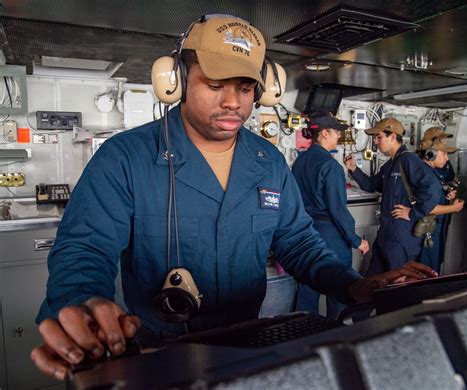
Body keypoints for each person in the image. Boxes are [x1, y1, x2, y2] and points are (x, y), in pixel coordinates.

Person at [31, 16, 437, 381]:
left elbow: (298, 244)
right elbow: (85, 249)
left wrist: (356, 285)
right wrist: (80, 305)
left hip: (250, 348)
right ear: (176, 80)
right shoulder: (126, 158)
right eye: (214, 84)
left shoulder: (267, 162)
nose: (232, 102)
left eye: (245, 88)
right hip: (161, 356)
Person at [292, 113, 369, 319]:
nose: (338, 137)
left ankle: (305, 338)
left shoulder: (299, 162)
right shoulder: (331, 166)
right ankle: (337, 337)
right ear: (324, 133)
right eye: (336, 132)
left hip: (306, 233)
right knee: (338, 290)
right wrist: (356, 240)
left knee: (307, 291)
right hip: (331, 235)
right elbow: (338, 209)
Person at [344, 118, 440, 275]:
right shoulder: (390, 165)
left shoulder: (408, 160)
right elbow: (371, 185)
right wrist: (354, 170)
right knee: (375, 281)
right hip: (386, 234)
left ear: (393, 136)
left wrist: (413, 212)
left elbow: (433, 189)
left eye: (379, 136)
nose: (375, 141)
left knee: (397, 284)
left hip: (401, 236)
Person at [416, 127, 464, 273]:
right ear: (431, 154)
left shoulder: (433, 170)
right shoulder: (425, 174)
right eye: (444, 153)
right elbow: (427, 207)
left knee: (433, 265)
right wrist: (453, 208)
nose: (447, 158)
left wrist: (447, 193)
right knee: (426, 271)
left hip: (435, 227)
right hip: (427, 229)